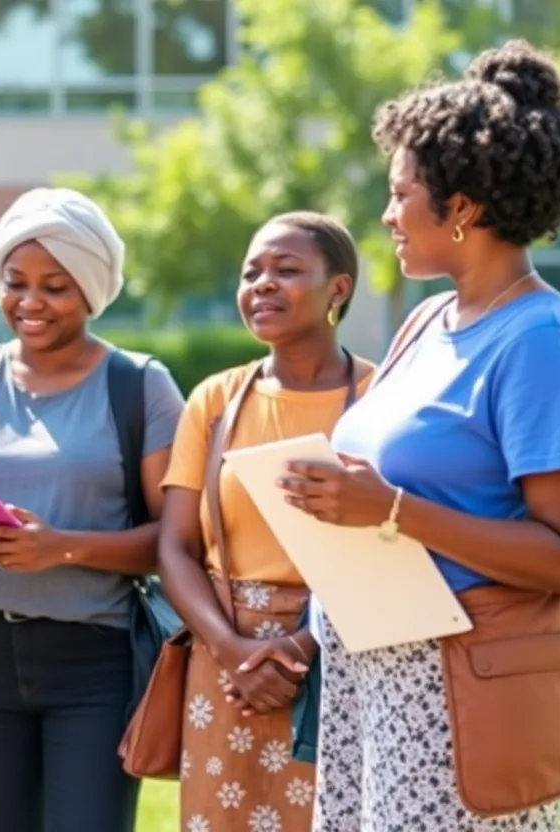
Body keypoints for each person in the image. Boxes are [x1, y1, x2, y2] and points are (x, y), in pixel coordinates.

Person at [277, 40, 560, 831]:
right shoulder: (428, 321)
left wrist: (390, 509)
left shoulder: (539, 343)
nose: (387, 216)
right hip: (371, 673)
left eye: (401, 195)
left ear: (461, 209)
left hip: (458, 685)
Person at [0, 187, 186, 832]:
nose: (29, 302)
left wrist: (62, 547)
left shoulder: (140, 385)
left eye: (55, 286)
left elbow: (175, 541)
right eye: (14, 283)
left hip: (95, 662)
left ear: (91, 289)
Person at [159, 212, 374, 832]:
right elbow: (176, 548)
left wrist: (301, 648)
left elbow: (392, 541)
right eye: (251, 272)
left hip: (346, 653)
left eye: (286, 269)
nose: (262, 284)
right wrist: (235, 652)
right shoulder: (215, 400)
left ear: (339, 288)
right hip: (225, 660)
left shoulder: (383, 398)